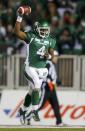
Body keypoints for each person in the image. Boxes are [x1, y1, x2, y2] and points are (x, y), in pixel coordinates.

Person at [14, 6, 57, 124]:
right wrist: (19, 16)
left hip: (40, 69)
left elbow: (52, 54)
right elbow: (16, 32)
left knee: (31, 90)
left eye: (45, 30)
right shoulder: (32, 36)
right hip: (29, 67)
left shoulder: (50, 40)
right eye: (42, 30)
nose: (44, 32)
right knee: (37, 84)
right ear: (37, 29)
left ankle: (22, 110)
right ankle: (34, 111)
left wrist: (48, 56)